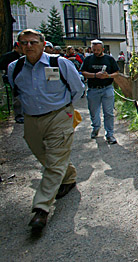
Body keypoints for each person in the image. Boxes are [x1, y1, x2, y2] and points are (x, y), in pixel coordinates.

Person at [8, 29, 85, 230]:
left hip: (59, 116)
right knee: (44, 155)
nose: (28, 46)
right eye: (23, 43)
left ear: (43, 44)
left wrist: (65, 109)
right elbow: (17, 92)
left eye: (33, 42)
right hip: (32, 119)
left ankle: (41, 209)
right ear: (18, 46)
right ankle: (68, 176)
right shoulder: (14, 68)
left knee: (53, 162)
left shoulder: (59, 63)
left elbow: (78, 88)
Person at [81, 40, 119, 144]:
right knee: (94, 111)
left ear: (103, 49)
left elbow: (116, 72)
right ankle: (96, 127)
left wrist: (108, 76)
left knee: (108, 113)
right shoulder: (88, 59)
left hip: (107, 88)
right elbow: (83, 72)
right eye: (94, 50)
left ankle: (110, 134)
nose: (96, 52)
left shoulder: (109, 59)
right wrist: (94, 75)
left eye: (98, 50)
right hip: (93, 89)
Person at [0, 42, 24, 123]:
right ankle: (18, 115)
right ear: (16, 47)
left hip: (21, 79)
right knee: (16, 97)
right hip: (13, 78)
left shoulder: (22, 57)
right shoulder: (9, 56)